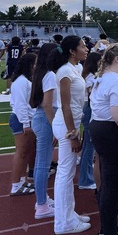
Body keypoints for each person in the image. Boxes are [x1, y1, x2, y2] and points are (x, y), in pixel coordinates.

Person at [89, 43, 118, 235]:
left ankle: (108, 228)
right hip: (112, 133)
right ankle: (108, 230)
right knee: (112, 184)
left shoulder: (102, 79)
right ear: (117, 59)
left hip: (100, 129)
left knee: (109, 183)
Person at [51, 36, 91, 234]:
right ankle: (63, 223)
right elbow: (65, 105)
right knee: (65, 174)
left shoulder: (76, 69)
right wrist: (72, 134)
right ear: (72, 51)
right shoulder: (65, 71)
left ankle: (69, 214)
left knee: (68, 173)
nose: (86, 48)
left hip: (72, 124)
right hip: (67, 126)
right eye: (82, 46)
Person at [30, 43, 59, 218]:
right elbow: (47, 103)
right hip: (45, 119)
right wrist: (55, 126)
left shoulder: (42, 73)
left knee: (42, 163)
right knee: (43, 164)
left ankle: (42, 199)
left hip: (41, 118)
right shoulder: (49, 75)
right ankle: (41, 206)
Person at [9, 53, 37, 196]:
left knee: (25, 153)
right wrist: (26, 124)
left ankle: (20, 181)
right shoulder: (21, 82)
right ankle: (15, 185)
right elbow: (20, 105)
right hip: (21, 120)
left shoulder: (25, 80)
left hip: (26, 119)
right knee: (21, 153)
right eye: (35, 63)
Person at [77, 51, 102, 191]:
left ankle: (85, 175)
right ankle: (85, 179)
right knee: (89, 147)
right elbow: (93, 95)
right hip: (90, 110)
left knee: (88, 145)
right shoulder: (91, 77)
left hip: (88, 109)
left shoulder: (88, 75)